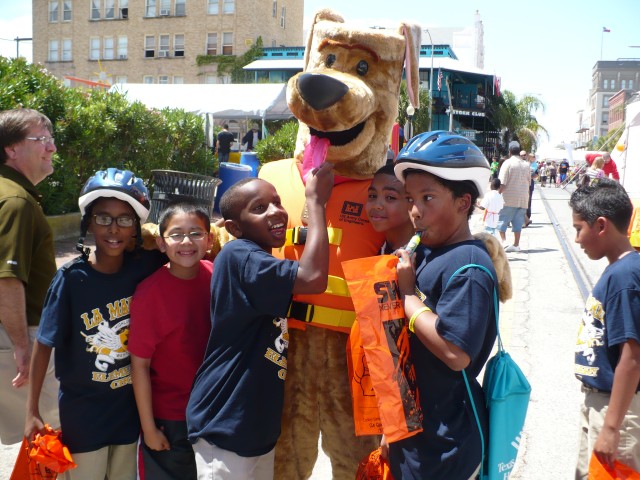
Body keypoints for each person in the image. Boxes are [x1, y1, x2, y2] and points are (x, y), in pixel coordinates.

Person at [186, 162, 334, 480]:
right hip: (226, 424)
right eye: (259, 208)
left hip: (252, 430)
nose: (275, 212)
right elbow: (313, 277)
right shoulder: (241, 255)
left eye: (278, 202)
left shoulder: (259, 259)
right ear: (234, 227)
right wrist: (317, 204)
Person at [25, 168, 166, 480]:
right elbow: (44, 343)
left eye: (125, 219)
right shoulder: (71, 280)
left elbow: (183, 247)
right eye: (103, 218)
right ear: (88, 222)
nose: (113, 228)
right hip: (83, 413)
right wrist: (32, 410)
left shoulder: (145, 267)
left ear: (136, 227)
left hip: (128, 411)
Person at [388, 131, 498, 479]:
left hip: (446, 443)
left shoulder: (469, 265)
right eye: (409, 199)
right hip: (416, 431)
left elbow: (455, 353)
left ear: (463, 203)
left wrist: (407, 297)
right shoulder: (428, 252)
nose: (415, 211)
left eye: (428, 198)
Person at [129, 202, 213, 480]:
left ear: (210, 240)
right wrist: (149, 427)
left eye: (196, 233)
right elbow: (139, 365)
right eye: (176, 234)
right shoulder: (150, 293)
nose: (186, 241)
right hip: (170, 419)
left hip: (214, 412)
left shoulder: (217, 276)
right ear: (161, 244)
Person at [569, 178, 640, 477]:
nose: (576, 239)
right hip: (599, 401)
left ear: (600, 225)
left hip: (615, 410)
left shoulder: (625, 277)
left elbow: (632, 357)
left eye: (578, 229)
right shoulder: (619, 270)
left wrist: (611, 427)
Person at [0, 108, 60, 445]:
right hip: (21, 333)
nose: (52, 147)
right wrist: (23, 347)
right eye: (43, 140)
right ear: (12, 148)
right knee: (46, 435)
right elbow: (7, 279)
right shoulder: (15, 200)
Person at [366, 163, 416, 254]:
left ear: (412, 203)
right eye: (372, 195)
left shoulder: (422, 258)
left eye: (390, 197)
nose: (377, 205)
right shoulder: (382, 250)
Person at [497, 140, 531, 252]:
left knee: (502, 221)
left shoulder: (507, 163)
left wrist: (497, 194)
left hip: (509, 198)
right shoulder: (526, 165)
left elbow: (502, 182)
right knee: (517, 223)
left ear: (510, 151)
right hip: (523, 198)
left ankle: (504, 242)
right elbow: (529, 182)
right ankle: (516, 245)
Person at [525, 153, 538, 228]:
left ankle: (527, 217)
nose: (534, 158)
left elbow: (536, 174)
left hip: (530, 183)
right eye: (533, 157)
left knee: (529, 200)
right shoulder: (525, 163)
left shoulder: (535, 165)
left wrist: (530, 177)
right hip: (524, 183)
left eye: (534, 157)